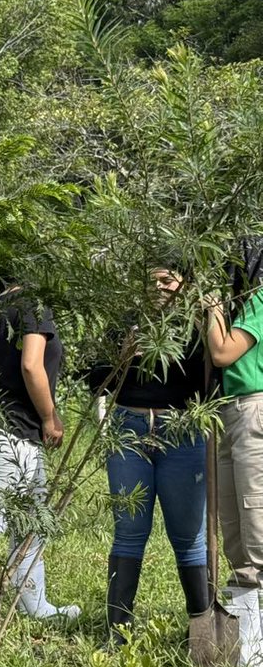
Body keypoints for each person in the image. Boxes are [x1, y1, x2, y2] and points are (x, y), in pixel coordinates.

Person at [0, 278, 80, 631]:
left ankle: (35, 601)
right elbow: (31, 365)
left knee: (31, 515)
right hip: (14, 429)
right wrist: (49, 416)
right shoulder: (33, 306)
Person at [93, 267, 209, 642]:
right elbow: (93, 377)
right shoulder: (124, 322)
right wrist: (122, 357)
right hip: (128, 427)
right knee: (128, 530)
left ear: (183, 285)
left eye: (168, 282)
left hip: (183, 431)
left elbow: (212, 381)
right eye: (152, 282)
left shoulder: (197, 325)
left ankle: (202, 629)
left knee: (189, 534)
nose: (159, 289)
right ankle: (118, 635)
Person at [205, 235, 263, 667]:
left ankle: (257, 655)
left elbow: (224, 351)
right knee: (233, 533)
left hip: (254, 411)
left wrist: (213, 307)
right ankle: (245, 650)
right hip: (228, 412)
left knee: (256, 526)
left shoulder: (261, 299)